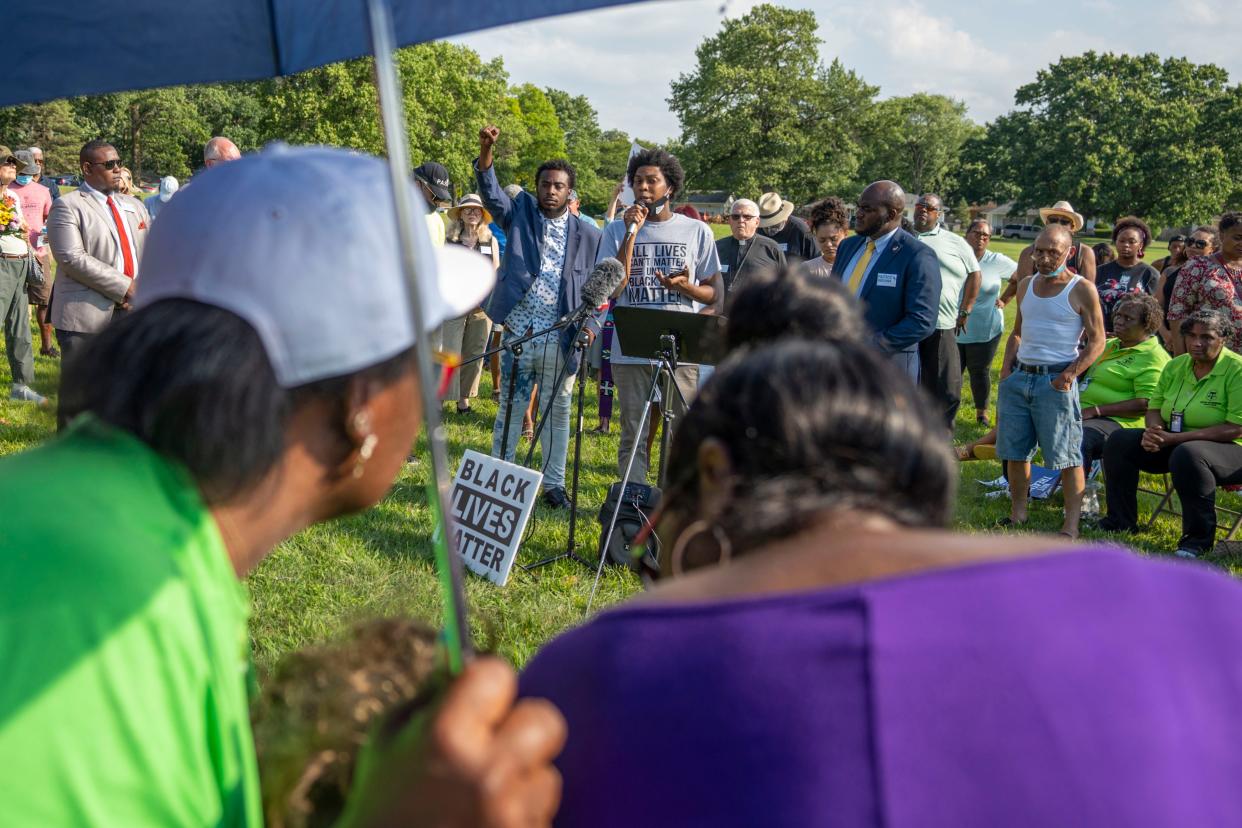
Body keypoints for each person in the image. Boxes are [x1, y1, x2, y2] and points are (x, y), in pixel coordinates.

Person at [0, 146, 566, 827]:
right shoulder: (109, 627)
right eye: (430, 360)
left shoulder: (112, 529)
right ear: (360, 402)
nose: (432, 386)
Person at [521, 335, 1242, 827]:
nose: (656, 560)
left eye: (657, 532)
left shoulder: (605, 670)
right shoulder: (1212, 618)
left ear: (710, 478)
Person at [475, 125, 604, 509]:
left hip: (560, 337)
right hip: (519, 331)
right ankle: (501, 476)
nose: (550, 190)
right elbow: (491, 194)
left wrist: (592, 327)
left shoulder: (589, 237)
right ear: (537, 187)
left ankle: (553, 486)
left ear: (569, 192)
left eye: (558, 185)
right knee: (511, 408)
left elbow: (601, 294)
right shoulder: (520, 215)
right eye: (545, 184)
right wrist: (486, 152)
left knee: (557, 411)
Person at [600, 146, 722, 484]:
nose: (642, 187)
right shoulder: (614, 231)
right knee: (633, 435)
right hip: (631, 347)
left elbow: (716, 294)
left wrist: (687, 288)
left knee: (679, 435)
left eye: (652, 181)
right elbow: (614, 289)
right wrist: (630, 234)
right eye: (637, 181)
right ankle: (633, 505)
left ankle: (670, 507)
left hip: (679, 348)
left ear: (669, 188)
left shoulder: (696, 231)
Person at [1100, 309, 1242, 559]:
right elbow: (1155, 407)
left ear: (1224, 338)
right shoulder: (1176, 365)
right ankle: (1120, 521)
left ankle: (1197, 540)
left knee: (1189, 453)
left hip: (1230, 449)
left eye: (1207, 337)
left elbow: (1236, 426)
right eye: (1191, 336)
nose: (1197, 343)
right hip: (1174, 442)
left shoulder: (1236, 370)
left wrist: (1176, 439)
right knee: (1120, 440)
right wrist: (1154, 431)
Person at [996, 225, 1106, 538]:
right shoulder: (1026, 285)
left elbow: (1098, 341)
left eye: (1052, 252)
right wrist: (1007, 372)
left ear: (1069, 252)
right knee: (1015, 452)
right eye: (1038, 251)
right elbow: (1017, 331)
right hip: (1020, 377)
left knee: (1068, 456)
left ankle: (1070, 524)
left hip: (1055, 380)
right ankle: (1019, 513)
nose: (1043, 258)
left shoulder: (1081, 288)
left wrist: (1070, 374)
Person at [47, 140, 150, 419]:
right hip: (85, 317)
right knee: (81, 404)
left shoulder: (134, 206)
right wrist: (127, 287)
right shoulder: (67, 206)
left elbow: (152, 250)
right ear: (87, 168)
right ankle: (73, 461)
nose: (118, 169)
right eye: (109, 164)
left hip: (132, 314)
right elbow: (71, 258)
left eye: (119, 162)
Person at [830, 180, 940, 380]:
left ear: (890, 215)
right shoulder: (848, 246)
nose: (858, 214)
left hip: (888, 371)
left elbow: (922, 321)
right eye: (858, 207)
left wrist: (870, 345)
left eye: (867, 209)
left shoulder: (917, 255)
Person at [1077, 293, 1169, 472]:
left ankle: (1079, 492)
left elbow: (1146, 403)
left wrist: (1095, 411)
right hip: (1082, 412)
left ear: (1146, 325)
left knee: (1078, 438)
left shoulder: (1153, 357)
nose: (1119, 321)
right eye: (1118, 315)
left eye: (1128, 318)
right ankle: (1016, 482)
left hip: (1121, 422)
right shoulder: (1110, 344)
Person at [913, 193, 981, 430]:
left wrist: (966, 309)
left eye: (929, 208)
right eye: (919, 206)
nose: (922, 210)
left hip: (941, 324)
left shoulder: (955, 242)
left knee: (947, 387)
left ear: (938, 214)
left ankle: (940, 436)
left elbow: (975, 273)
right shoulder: (902, 236)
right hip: (906, 323)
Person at [443, 193, 499, 414]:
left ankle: (463, 399)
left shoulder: (489, 240)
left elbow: (495, 270)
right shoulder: (451, 241)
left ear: (482, 214)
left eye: (476, 210)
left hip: (481, 307)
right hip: (454, 305)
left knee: (474, 354)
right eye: (467, 210)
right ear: (460, 214)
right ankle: (443, 397)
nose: (472, 213)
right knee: (450, 351)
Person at [958, 219, 1016, 427]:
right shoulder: (956, 255)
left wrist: (1005, 299)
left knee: (979, 371)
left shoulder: (996, 260)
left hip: (986, 328)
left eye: (986, 235)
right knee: (952, 372)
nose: (981, 238)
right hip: (953, 326)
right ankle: (946, 410)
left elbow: (1020, 276)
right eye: (977, 233)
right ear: (967, 234)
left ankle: (982, 413)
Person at [0, 146, 44, 404]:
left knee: (20, 329)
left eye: (14, 163)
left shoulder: (12, 198)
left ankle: (21, 387)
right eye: (7, 162)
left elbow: (22, 228)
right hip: (2, 264)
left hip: (19, 265)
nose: (13, 167)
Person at [1167, 212, 1242, 353]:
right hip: (1209, 355)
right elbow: (1177, 314)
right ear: (1222, 236)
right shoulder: (1198, 266)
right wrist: (1181, 359)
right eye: (1238, 238)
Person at [998, 200, 1097, 305]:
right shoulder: (1028, 253)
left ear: (1072, 227)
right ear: (1047, 223)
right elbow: (1025, 296)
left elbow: (1087, 297)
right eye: (1053, 220)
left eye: (1064, 222)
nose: (1058, 224)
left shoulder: (1084, 253)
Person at [9, 149, 57, 357]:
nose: (24, 175)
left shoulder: (42, 191)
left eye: (27, 171)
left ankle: (46, 346)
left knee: (44, 301)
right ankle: (16, 346)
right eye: (21, 171)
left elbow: (50, 217)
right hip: (12, 254)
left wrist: (46, 231)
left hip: (38, 254)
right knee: (12, 302)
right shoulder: (5, 190)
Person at [1156, 225, 1218, 354]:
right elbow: (1156, 308)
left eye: (1201, 244)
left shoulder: (1216, 279)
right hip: (1166, 339)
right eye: (1190, 241)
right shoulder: (1169, 272)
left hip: (1200, 342)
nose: (1193, 246)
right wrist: (1167, 335)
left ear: (1213, 249)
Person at [1095, 215, 1159, 332]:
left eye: (1131, 241)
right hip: (1101, 334)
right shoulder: (1100, 271)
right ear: (1116, 242)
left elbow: (1153, 312)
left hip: (1134, 337)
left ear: (1140, 245)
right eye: (1122, 241)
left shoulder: (1150, 274)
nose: (1126, 245)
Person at [715, 198, 785, 297]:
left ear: (757, 222)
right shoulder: (716, 247)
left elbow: (785, 286)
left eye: (747, 217)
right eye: (736, 216)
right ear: (730, 221)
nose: (741, 220)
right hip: (721, 310)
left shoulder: (772, 249)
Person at [755, 190, 817, 264]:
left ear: (785, 217)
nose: (770, 230)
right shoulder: (756, 230)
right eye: (765, 226)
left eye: (774, 225)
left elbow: (816, 259)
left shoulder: (801, 229)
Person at [802, 196, 848, 280]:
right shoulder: (807, 269)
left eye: (834, 239)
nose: (828, 244)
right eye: (822, 240)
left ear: (845, 234)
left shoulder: (856, 266)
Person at [412, 161, 451, 249]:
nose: (437, 203)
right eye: (435, 196)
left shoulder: (438, 220)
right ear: (417, 185)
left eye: (441, 199)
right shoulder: (394, 214)